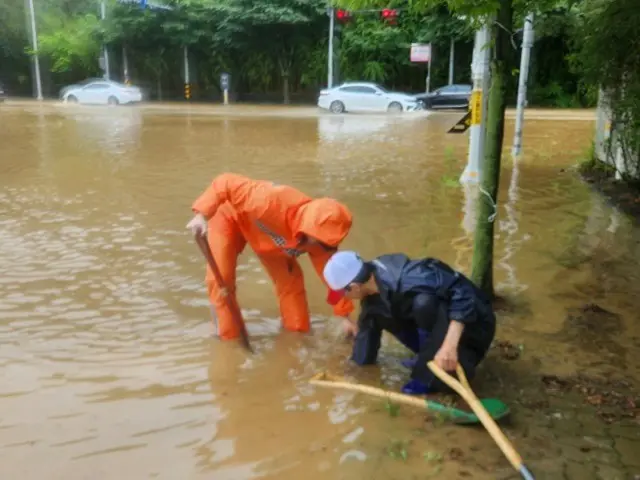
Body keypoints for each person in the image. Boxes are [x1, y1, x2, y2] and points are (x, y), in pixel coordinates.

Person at [187, 173, 355, 340]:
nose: (323, 246)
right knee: (221, 280)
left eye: (328, 242)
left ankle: (296, 336)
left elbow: (332, 280)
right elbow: (225, 182)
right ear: (309, 227)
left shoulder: (323, 243)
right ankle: (227, 337)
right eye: (320, 239)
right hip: (229, 217)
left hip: (269, 240)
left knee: (291, 282)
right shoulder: (267, 200)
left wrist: (345, 316)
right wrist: (201, 215)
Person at [323, 250, 496, 395]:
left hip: (474, 329)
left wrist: (449, 347)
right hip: (440, 329)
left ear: (354, 287)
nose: (343, 298)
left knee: (424, 303)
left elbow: (464, 293)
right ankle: (426, 359)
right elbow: (366, 337)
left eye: (342, 293)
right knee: (377, 313)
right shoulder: (371, 292)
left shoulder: (412, 276)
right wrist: (354, 372)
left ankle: (435, 369)